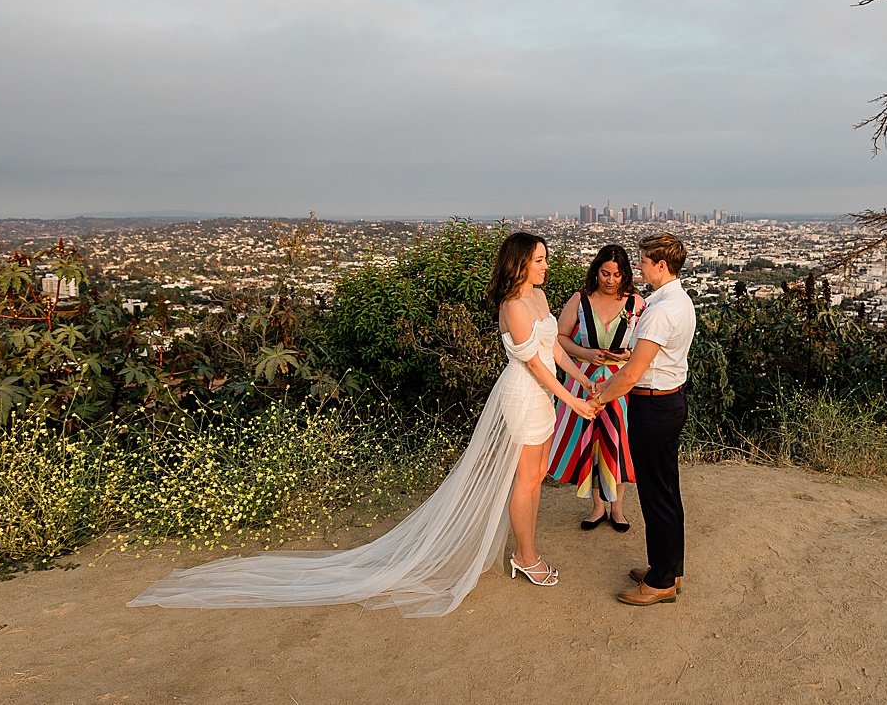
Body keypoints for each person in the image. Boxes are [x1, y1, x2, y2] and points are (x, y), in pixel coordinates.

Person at [128, 232, 597, 616]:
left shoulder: (538, 297)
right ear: (519, 264)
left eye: (545, 260)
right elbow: (534, 365)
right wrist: (571, 402)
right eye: (539, 260)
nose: (545, 266)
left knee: (535, 477)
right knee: (524, 479)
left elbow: (554, 351)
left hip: (547, 394)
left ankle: (524, 553)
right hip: (524, 394)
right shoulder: (514, 306)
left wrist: (579, 383)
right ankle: (526, 556)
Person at [592, 233, 695, 606]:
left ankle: (661, 580)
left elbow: (633, 373)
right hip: (669, 400)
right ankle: (668, 567)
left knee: (656, 494)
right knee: (667, 490)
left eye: (644, 262)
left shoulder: (660, 309)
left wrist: (600, 398)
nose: (639, 267)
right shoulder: (679, 301)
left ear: (661, 265)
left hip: (653, 406)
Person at [547, 244, 646, 532]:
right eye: (605, 273)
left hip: (620, 383)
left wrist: (626, 356)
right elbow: (560, 338)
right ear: (596, 271)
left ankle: (618, 509)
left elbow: (644, 346)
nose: (611, 280)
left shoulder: (637, 303)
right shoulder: (579, 299)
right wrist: (586, 353)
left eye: (617, 274)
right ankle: (597, 507)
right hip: (584, 381)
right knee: (590, 443)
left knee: (619, 444)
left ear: (624, 274)